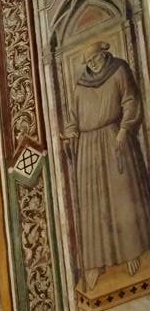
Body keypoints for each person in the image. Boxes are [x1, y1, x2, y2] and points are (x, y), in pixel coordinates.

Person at [62, 40, 150, 289]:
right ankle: (96, 262)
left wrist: (124, 130)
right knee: (94, 205)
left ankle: (132, 252)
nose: (92, 64)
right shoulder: (81, 85)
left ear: (104, 53)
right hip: (88, 148)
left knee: (123, 197)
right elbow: (72, 118)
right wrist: (70, 133)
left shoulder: (119, 70)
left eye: (95, 58)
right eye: (88, 62)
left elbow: (131, 101)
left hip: (114, 138)